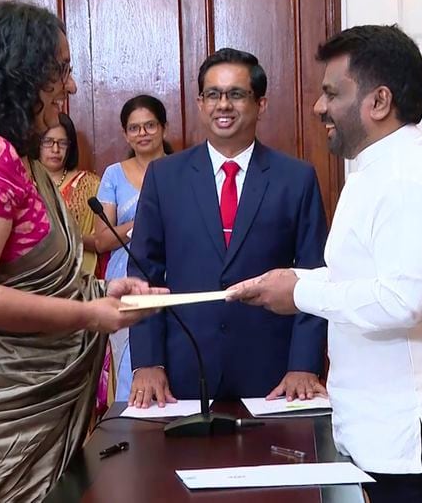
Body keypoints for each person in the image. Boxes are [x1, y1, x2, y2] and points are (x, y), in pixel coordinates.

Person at [228, 26, 422, 503]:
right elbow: (366, 281)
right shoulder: (376, 169)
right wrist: (292, 280)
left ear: (378, 102)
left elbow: (401, 301)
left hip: (413, 432)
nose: (319, 107)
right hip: (385, 426)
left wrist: (299, 294)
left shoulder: (405, 182)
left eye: (332, 93)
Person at [0, 1, 164, 503]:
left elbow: (28, 276)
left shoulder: (22, 161)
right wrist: (89, 314)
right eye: (59, 71)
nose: (69, 86)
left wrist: (102, 288)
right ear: (18, 73)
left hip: (31, 412)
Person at [127, 48, 328, 408]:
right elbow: (144, 273)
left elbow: (314, 275)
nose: (224, 105)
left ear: (260, 104)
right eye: (213, 95)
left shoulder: (296, 179)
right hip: (181, 372)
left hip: (274, 374)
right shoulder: (165, 177)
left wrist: (304, 364)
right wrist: (148, 361)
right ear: (201, 103)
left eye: (236, 94)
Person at [94, 95, 173, 401]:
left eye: (150, 125)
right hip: (124, 278)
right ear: (125, 133)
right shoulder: (114, 174)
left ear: (163, 128)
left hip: (172, 273)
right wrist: (141, 225)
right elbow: (102, 238)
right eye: (135, 128)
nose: (143, 133)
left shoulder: (181, 170)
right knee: (131, 361)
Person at [37, 113, 102, 276]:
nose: (55, 149)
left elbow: (100, 240)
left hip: (79, 276)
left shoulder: (89, 184)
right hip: (32, 277)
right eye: (48, 142)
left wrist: (65, 237)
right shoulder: (23, 181)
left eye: (62, 143)